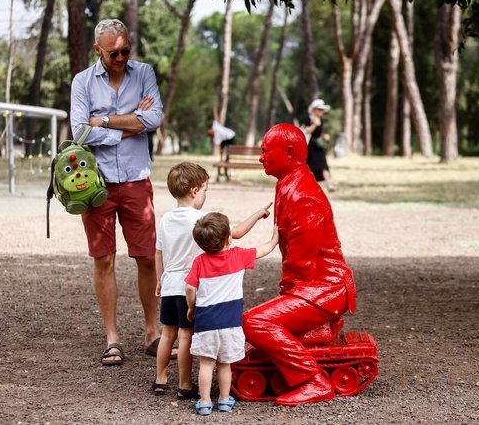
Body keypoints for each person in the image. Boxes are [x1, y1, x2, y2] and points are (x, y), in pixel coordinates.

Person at [70, 18, 164, 365]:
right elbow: (80, 131)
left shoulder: (145, 73)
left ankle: (151, 332)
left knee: (145, 258)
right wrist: (130, 123)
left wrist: (105, 120)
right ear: (98, 50)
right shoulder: (82, 82)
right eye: (114, 53)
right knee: (104, 258)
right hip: (97, 182)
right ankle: (112, 337)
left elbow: (153, 120)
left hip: (137, 178)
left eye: (126, 50)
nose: (122, 56)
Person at [242, 123, 356, 406]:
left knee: (255, 322)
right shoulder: (289, 184)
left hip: (324, 288)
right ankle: (310, 336)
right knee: (264, 321)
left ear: (289, 152)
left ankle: (312, 380)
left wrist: (285, 300)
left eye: (267, 151)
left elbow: (300, 264)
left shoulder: (302, 195)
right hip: (318, 286)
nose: (261, 157)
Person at [152, 162, 273, 397]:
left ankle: (160, 379)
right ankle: (184, 384)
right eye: (206, 190)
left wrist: (160, 279)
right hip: (191, 285)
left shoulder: (165, 219)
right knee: (185, 336)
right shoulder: (203, 218)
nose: (206, 195)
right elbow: (235, 233)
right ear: (195, 191)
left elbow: (159, 253)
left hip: (169, 284)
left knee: (167, 333)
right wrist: (258, 215)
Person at [186, 212, 279, 415]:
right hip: (230, 322)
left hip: (206, 322)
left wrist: (191, 307)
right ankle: (225, 400)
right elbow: (265, 249)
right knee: (224, 364)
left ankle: (203, 402)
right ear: (229, 238)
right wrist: (275, 238)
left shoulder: (199, 262)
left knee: (206, 363)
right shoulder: (238, 256)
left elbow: (190, 288)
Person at [301, 98, 336, 192]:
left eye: (322, 109)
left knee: (324, 166)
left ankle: (329, 185)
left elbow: (319, 133)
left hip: (319, 147)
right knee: (311, 168)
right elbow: (306, 131)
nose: (322, 111)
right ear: (314, 109)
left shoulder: (320, 120)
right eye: (320, 109)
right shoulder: (308, 119)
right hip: (310, 147)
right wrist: (315, 125)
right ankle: (310, 187)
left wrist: (324, 136)